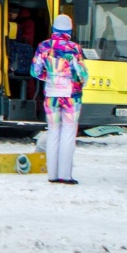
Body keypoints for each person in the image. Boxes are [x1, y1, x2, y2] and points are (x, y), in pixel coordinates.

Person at [31, 14, 88, 185]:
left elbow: (35, 71)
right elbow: (82, 74)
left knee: (53, 131)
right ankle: (65, 175)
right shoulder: (74, 48)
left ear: (54, 29)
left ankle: (52, 175)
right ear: (70, 30)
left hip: (51, 95)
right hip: (71, 96)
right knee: (69, 133)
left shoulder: (44, 46)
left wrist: (49, 77)